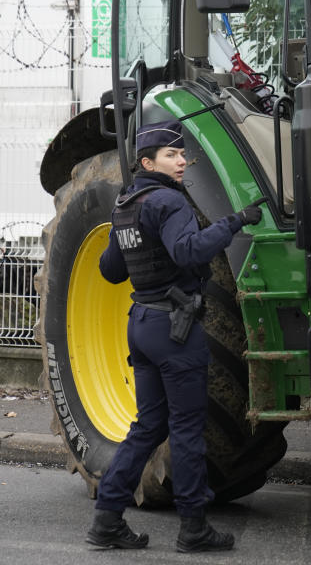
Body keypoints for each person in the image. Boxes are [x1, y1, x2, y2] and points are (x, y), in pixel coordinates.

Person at [85, 120, 267, 552]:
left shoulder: (126, 204)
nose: (182, 160)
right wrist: (235, 221)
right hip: (175, 329)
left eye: (183, 154)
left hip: (143, 325)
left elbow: (110, 271)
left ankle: (107, 519)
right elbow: (189, 251)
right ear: (148, 162)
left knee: (148, 426)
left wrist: (129, 240)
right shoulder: (169, 201)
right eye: (171, 155)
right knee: (186, 429)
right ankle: (194, 529)